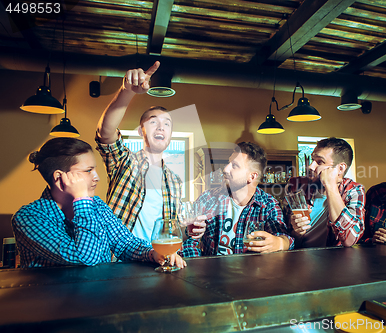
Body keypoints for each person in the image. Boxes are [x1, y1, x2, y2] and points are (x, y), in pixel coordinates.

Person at [12, 137, 186, 269]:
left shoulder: (97, 205)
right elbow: (86, 258)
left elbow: (124, 243)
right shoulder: (28, 218)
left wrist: (151, 253)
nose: (97, 177)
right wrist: (81, 198)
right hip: (55, 310)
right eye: (88, 171)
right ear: (60, 178)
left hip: (98, 301)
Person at [95, 61, 205, 242]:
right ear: (141, 131)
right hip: (120, 262)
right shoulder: (124, 162)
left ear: (170, 134)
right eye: (153, 122)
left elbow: (172, 232)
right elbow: (104, 132)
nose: (161, 127)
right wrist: (127, 90)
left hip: (159, 260)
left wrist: (190, 231)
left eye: (167, 124)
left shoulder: (175, 181)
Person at [181, 142, 294, 257]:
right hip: (211, 271)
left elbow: (283, 237)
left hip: (251, 272)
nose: (225, 169)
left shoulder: (268, 204)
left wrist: (280, 242)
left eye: (234, 165)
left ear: (252, 176)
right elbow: (189, 242)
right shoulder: (208, 198)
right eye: (228, 163)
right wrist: (197, 269)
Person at [287, 138, 365, 248]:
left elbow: (350, 240)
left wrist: (331, 186)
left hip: (334, 261)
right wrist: (297, 232)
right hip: (300, 257)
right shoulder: (299, 187)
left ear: (340, 168)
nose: (310, 166)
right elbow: (286, 238)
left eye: (319, 162)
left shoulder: (354, 190)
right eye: (312, 160)